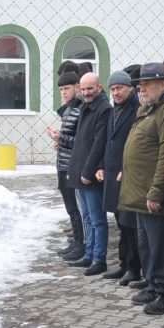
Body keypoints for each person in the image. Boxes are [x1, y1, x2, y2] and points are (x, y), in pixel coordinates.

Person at [119, 62, 164, 315]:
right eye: (139, 85)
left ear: (163, 83)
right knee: (148, 245)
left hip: (153, 193)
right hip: (140, 193)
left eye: (146, 84)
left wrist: (157, 190)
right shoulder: (149, 108)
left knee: (161, 246)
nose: (141, 89)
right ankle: (154, 284)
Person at [66, 72, 112, 275]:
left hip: (91, 175)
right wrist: (72, 169)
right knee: (87, 217)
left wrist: (87, 171)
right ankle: (89, 253)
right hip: (80, 171)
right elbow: (79, 143)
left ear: (99, 87)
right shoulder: (85, 106)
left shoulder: (104, 109)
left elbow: (98, 144)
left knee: (97, 219)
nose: (86, 92)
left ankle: (98, 259)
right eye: (83, 89)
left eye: (90, 88)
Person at [99, 70, 142, 284]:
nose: (116, 92)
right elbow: (108, 141)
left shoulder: (136, 109)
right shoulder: (115, 110)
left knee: (130, 224)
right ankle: (124, 263)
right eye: (113, 89)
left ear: (130, 88)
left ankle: (134, 267)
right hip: (112, 173)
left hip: (127, 175)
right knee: (120, 222)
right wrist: (101, 165)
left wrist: (128, 169)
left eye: (119, 88)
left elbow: (136, 145)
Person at [52, 71, 85, 261]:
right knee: (70, 207)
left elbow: (80, 142)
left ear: (77, 88)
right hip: (62, 162)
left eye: (67, 89)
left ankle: (80, 243)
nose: (63, 93)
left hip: (71, 165)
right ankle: (76, 241)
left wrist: (60, 138)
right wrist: (59, 142)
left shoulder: (79, 109)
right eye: (61, 90)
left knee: (75, 207)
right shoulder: (68, 108)